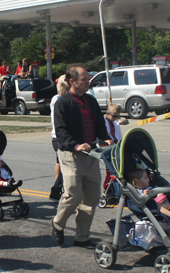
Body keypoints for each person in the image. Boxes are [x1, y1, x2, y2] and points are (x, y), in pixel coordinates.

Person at [51, 64, 113, 248]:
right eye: (84, 79)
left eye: (88, 79)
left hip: (91, 154)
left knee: (92, 195)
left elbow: (99, 125)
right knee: (74, 194)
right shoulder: (63, 102)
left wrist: (106, 139)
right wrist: (76, 145)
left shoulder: (91, 101)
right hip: (71, 154)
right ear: (73, 82)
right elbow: (61, 132)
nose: (88, 82)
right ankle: (58, 224)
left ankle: (82, 237)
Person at [128, 169, 170, 237]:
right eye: (145, 178)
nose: (148, 179)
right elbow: (140, 201)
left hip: (167, 204)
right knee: (158, 205)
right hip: (156, 207)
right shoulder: (138, 192)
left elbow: (161, 191)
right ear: (137, 182)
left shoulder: (152, 187)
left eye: (147, 177)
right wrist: (145, 196)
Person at [49, 75, 69, 201]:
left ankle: (59, 187)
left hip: (58, 136)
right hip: (59, 137)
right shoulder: (57, 100)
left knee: (60, 163)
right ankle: (57, 189)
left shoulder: (57, 98)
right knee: (64, 164)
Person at [102, 104, 123, 190]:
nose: (115, 119)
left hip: (116, 147)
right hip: (107, 147)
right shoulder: (103, 123)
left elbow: (120, 137)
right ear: (108, 113)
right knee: (111, 169)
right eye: (114, 116)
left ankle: (116, 188)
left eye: (118, 116)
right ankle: (108, 188)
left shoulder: (116, 124)